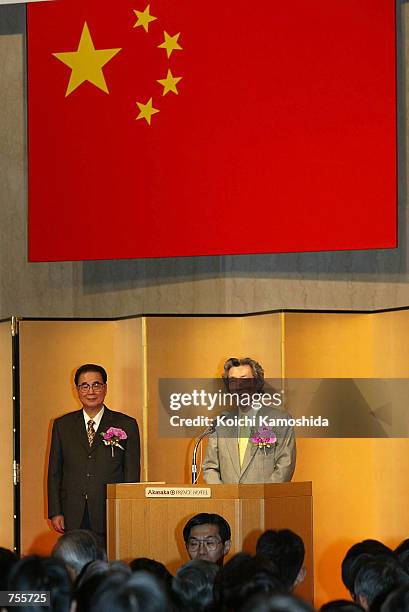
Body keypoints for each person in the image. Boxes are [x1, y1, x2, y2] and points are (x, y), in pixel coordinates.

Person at [48, 363, 140, 540]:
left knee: (108, 564)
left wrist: (128, 510)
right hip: (72, 512)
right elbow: (54, 472)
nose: (91, 391)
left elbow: (132, 472)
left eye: (96, 385)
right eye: (85, 386)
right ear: (77, 390)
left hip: (109, 511)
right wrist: (55, 511)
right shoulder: (62, 425)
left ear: (105, 388)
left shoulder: (126, 424)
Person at [203, 357, 296, 484]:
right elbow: (210, 468)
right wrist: (225, 497)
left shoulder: (280, 420)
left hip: (265, 501)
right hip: (228, 502)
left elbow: (285, 466)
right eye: (233, 381)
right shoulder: (220, 424)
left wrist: (259, 497)